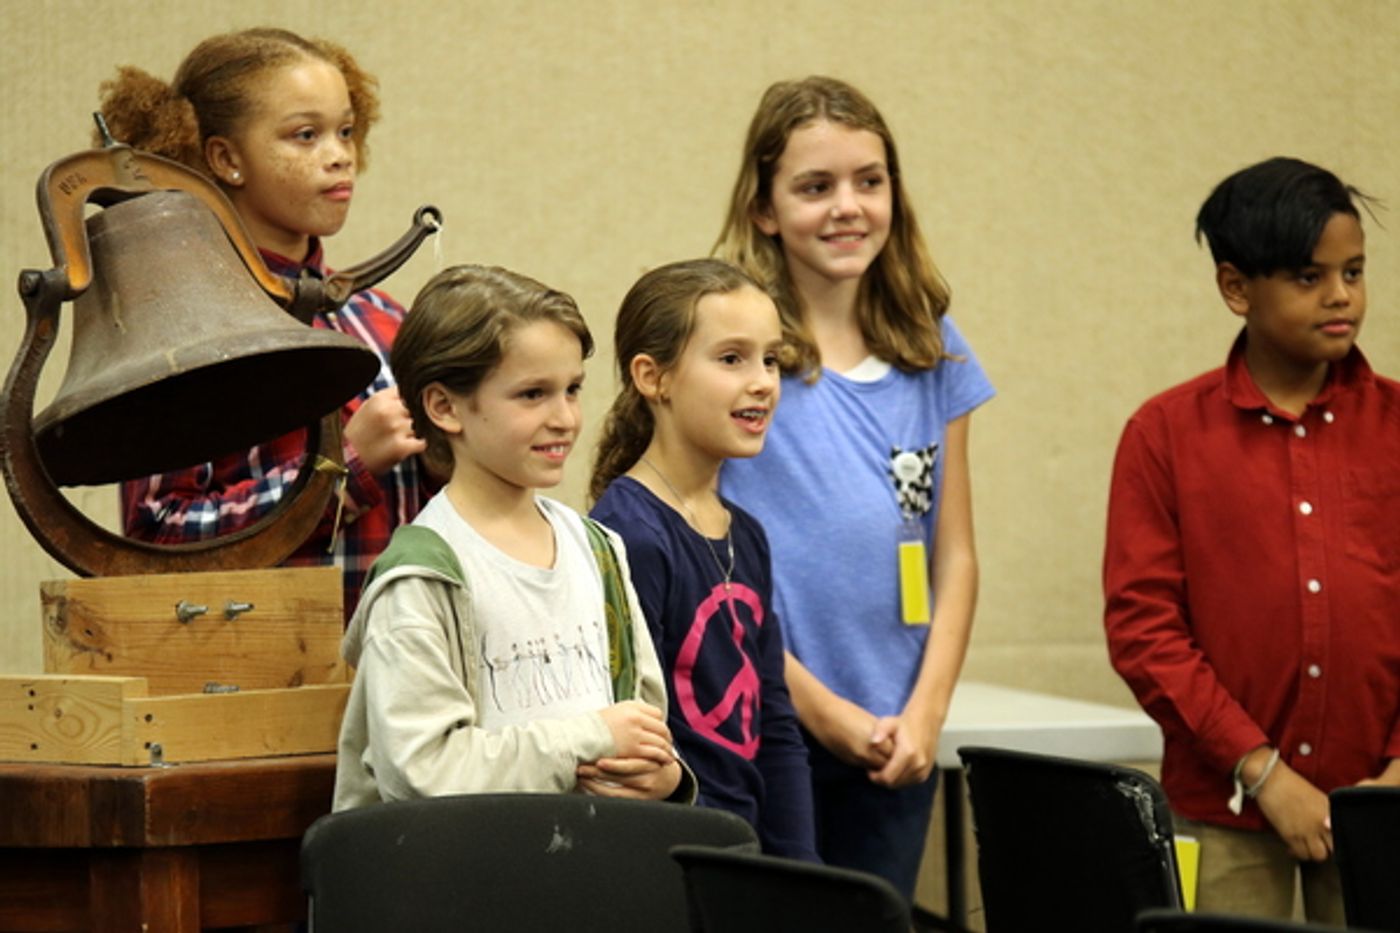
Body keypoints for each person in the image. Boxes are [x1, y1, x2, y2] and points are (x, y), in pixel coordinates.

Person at [713, 76, 995, 897]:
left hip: (892, 737)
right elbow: (713, 555)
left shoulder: (934, 348)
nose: (847, 206)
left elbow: (957, 554)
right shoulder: (740, 350)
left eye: (869, 181)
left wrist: (927, 712)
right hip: (771, 725)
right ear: (764, 207)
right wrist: (819, 710)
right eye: (815, 186)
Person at [1104, 156, 1400, 923]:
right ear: (1237, 288)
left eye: (1355, 271)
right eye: (1309, 276)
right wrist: (1264, 773)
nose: (1342, 296)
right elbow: (1145, 631)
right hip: (1224, 805)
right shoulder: (1163, 434)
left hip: (1387, 803)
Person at [98, 28, 428, 616]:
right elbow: (158, 536)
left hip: (412, 685)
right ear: (226, 159)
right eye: (305, 135)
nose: (339, 154)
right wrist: (343, 471)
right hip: (271, 684)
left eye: (346, 130)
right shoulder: (184, 333)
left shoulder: (384, 320)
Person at [334, 264, 689, 809]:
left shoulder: (598, 550)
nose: (565, 417)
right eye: (532, 394)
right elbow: (423, 770)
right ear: (444, 407)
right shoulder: (421, 577)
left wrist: (664, 780)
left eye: (572, 389)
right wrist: (589, 738)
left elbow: (639, 724)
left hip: (592, 875)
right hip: (474, 884)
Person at [589, 258, 819, 860]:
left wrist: (800, 865)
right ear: (653, 377)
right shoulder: (629, 534)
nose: (764, 381)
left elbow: (773, 721)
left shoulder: (747, 534)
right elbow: (634, 746)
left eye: (771, 359)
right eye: (731, 359)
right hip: (677, 856)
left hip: (747, 854)